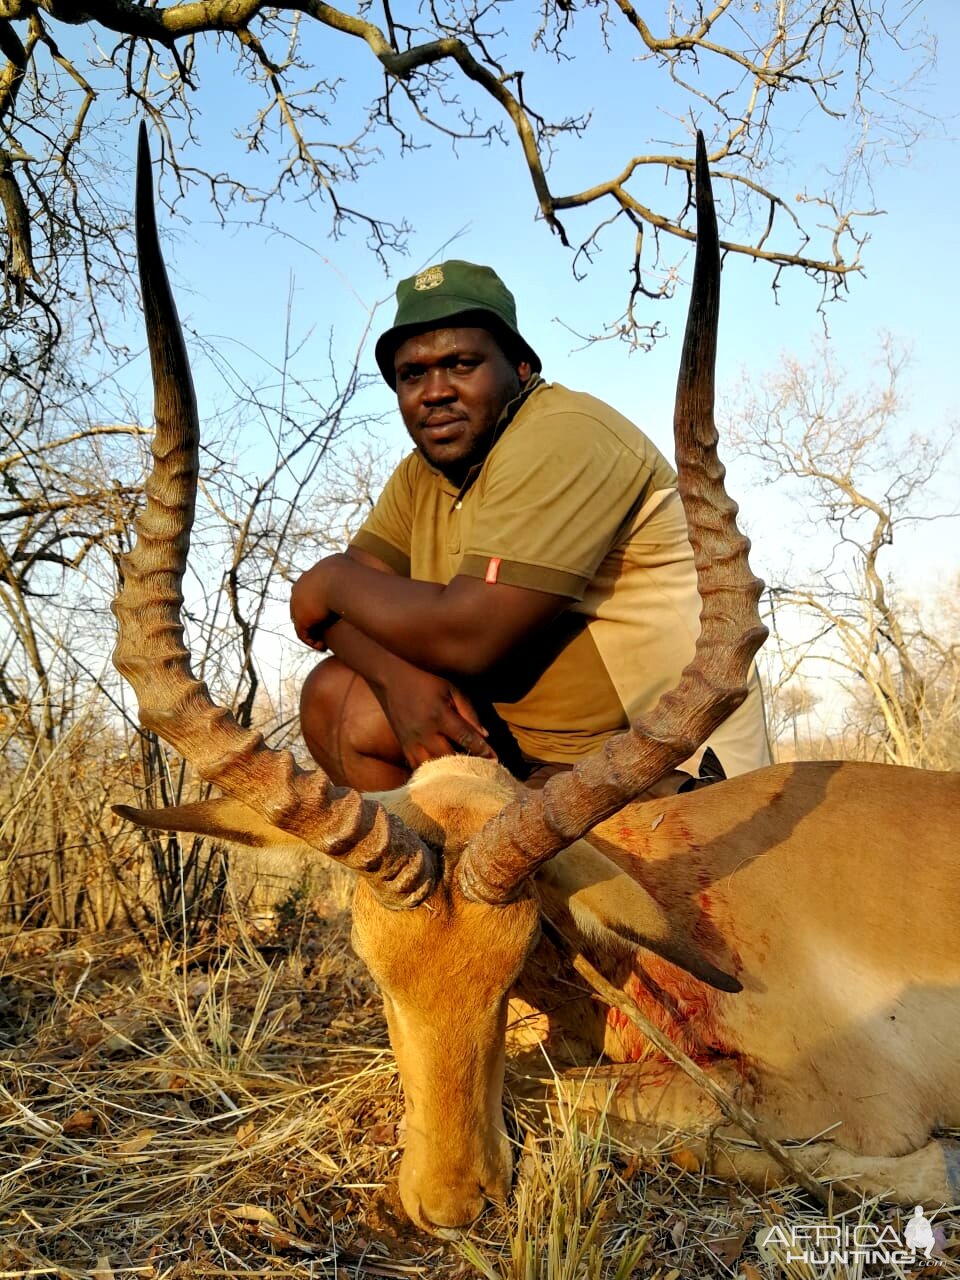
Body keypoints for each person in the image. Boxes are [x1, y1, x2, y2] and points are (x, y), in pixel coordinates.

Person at [290, 259, 770, 792]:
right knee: (338, 701)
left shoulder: (563, 433)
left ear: (521, 367)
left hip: (655, 759)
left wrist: (328, 579)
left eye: (461, 364)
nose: (435, 391)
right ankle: (428, 871)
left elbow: (468, 637)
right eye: (412, 374)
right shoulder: (419, 476)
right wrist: (395, 678)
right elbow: (342, 615)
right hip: (523, 757)